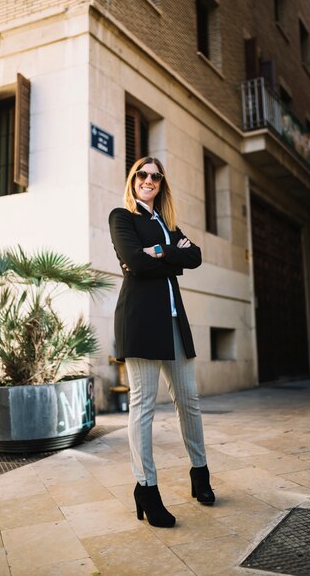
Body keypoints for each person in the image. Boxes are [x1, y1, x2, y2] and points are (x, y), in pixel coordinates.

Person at [109, 156, 215, 528]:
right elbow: (135, 265)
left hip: (173, 323)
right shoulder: (122, 217)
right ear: (133, 179)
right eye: (143, 174)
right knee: (143, 408)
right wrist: (168, 258)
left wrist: (160, 251)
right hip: (140, 323)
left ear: (161, 184)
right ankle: (146, 489)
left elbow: (196, 256)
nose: (149, 180)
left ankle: (200, 475)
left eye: (156, 176)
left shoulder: (168, 224)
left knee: (190, 400)